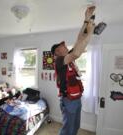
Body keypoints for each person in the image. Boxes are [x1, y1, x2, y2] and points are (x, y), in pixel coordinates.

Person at [51, 6, 96, 135]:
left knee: (75, 127)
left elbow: (79, 39)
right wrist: (91, 31)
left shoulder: (66, 57)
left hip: (76, 98)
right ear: (58, 51)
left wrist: (86, 20)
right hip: (68, 101)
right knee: (68, 130)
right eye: (63, 45)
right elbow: (77, 52)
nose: (66, 46)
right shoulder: (60, 60)